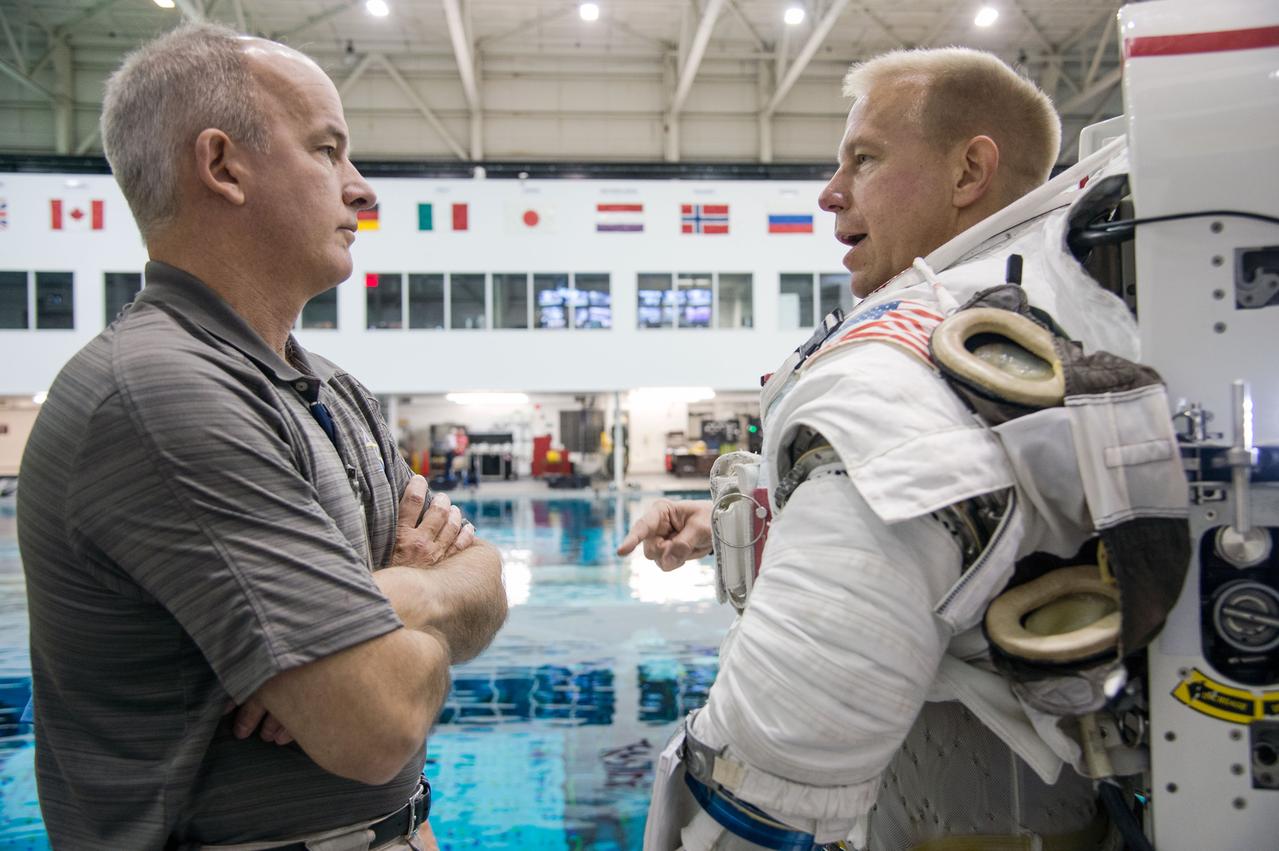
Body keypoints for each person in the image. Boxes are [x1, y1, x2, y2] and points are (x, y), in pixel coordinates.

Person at [621, 48, 1143, 849]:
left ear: (969, 171)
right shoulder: (1058, 311)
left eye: (863, 159)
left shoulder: (898, 376)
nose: (830, 194)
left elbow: (772, 761)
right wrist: (742, 520)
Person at [16, 22, 507, 849]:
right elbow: (373, 723)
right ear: (222, 166)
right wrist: (407, 608)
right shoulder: (160, 393)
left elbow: (488, 585)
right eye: (326, 150)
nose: (361, 191)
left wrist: (403, 596)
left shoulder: (327, 389)